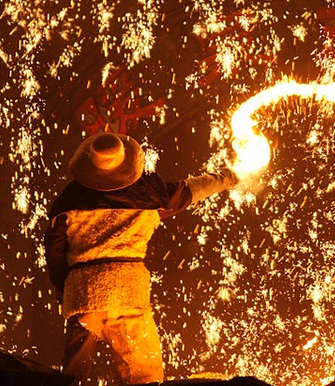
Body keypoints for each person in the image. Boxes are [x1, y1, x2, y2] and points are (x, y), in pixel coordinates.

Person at [44, 132, 239, 385]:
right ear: (126, 163)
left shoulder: (68, 198)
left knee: (71, 378)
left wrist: (64, 290)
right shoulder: (148, 192)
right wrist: (230, 176)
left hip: (82, 297)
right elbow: (193, 189)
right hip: (127, 296)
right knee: (145, 377)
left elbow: (55, 251)